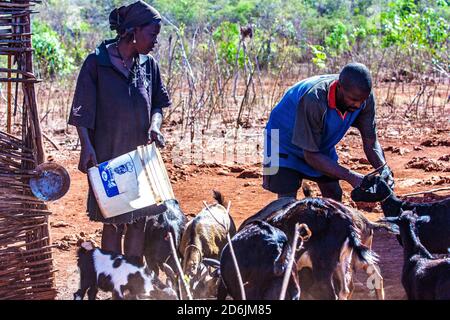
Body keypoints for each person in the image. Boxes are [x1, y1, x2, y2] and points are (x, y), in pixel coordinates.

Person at [68, 1, 170, 265]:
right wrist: (86, 147)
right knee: (113, 223)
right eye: (152, 35)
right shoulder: (97, 64)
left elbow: (158, 103)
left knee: (138, 221)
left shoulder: (149, 66)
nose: (155, 41)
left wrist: (155, 125)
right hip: (108, 154)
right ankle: (115, 281)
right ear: (133, 32)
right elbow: (82, 113)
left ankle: (132, 281)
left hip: (140, 157)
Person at [263, 62, 394, 201]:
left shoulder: (364, 98)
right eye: (354, 100)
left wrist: (383, 168)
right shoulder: (315, 98)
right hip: (280, 140)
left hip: (318, 143)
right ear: (339, 88)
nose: (358, 105)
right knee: (286, 201)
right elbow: (311, 156)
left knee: (333, 193)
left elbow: (371, 142)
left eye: (362, 100)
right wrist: (352, 177)